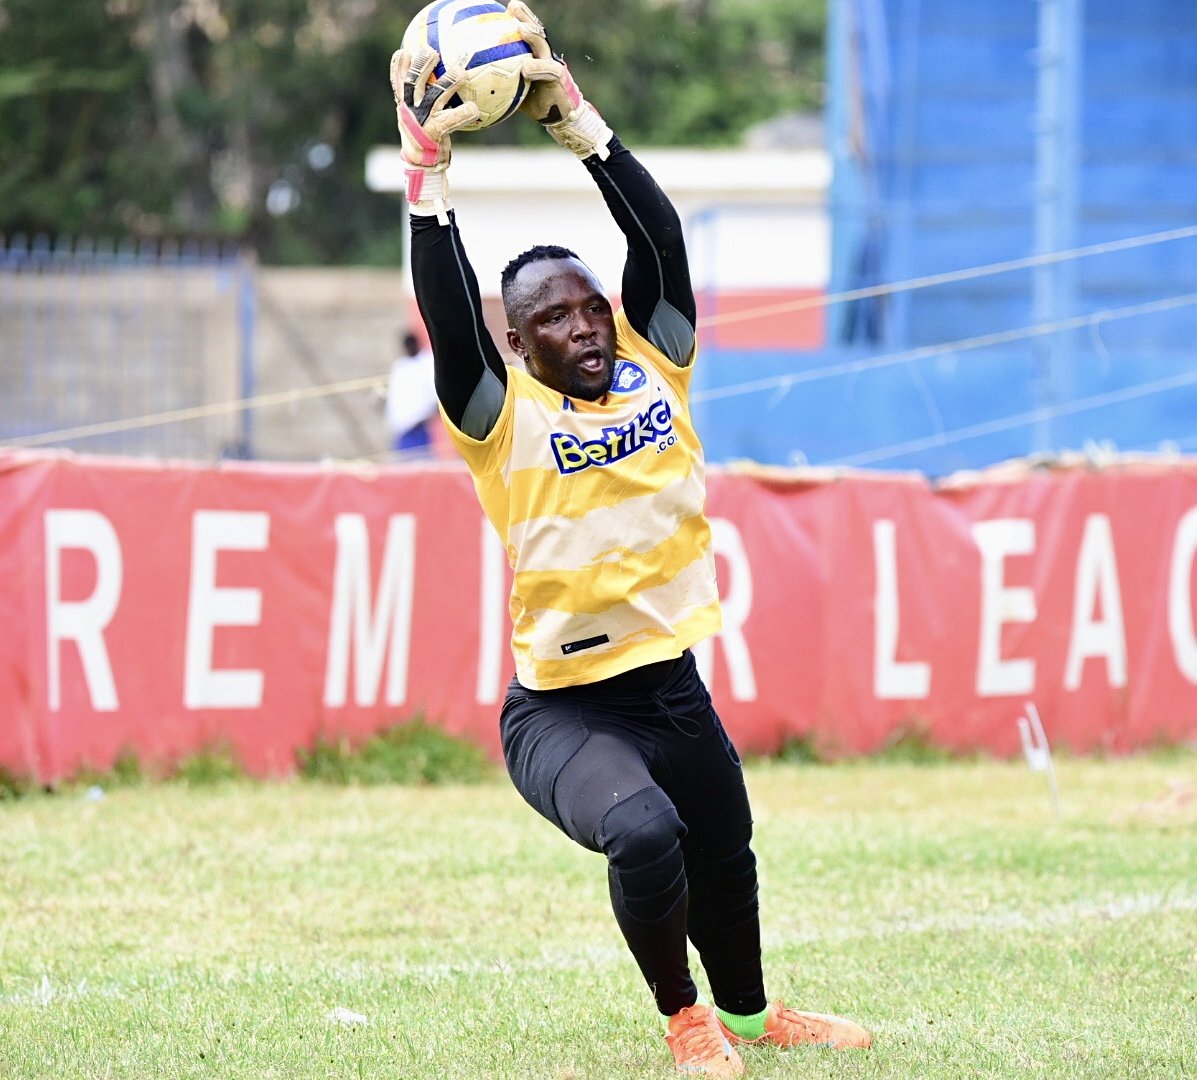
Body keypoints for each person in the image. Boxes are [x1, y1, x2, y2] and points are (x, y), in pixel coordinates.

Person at [391, 5, 872, 1074]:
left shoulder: (661, 363)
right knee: (647, 834)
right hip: (563, 712)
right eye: (554, 321)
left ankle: (751, 1017)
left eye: (591, 307)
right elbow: (445, 311)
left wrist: (580, 123)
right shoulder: (499, 414)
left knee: (727, 852)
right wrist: (430, 173)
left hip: (671, 685)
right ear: (518, 344)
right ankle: (686, 1023)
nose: (585, 327)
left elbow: (662, 240)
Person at [384, 329, 438, 455]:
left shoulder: (426, 362)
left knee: (421, 460)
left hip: (420, 423)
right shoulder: (400, 367)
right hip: (403, 426)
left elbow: (432, 391)